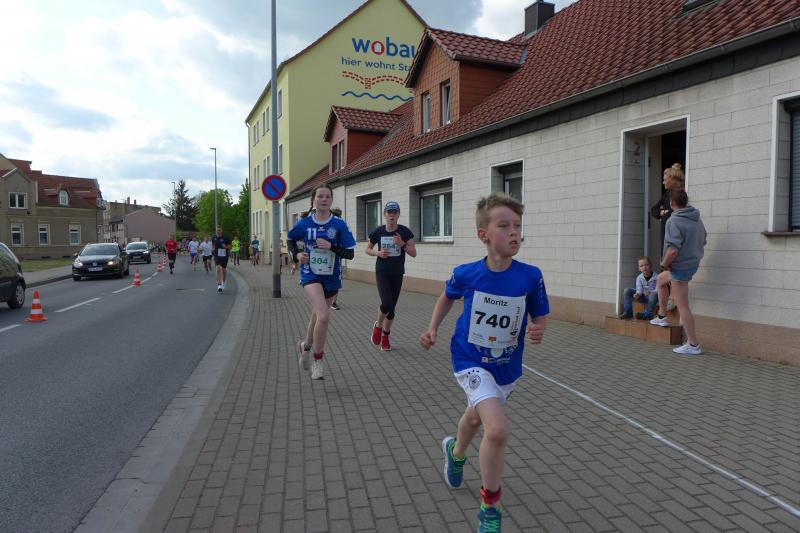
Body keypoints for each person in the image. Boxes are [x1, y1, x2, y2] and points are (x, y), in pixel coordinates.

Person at [420, 193, 548, 533]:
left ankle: (455, 451)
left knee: (475, 418)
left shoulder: (530, 276)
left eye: (517, 225)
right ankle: (490, 506)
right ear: (484, 235)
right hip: (469, 359)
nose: (514, 232)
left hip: (505, 367)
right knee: (497, 428)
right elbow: (447, 297)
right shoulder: (467, 273)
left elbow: (540, 314)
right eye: (504, 226)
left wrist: (538, 329)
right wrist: (432, 328)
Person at [287, 185, 356, 380]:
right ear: (314, 200)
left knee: (317, 316)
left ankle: (305, 347)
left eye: (327, 196)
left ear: (331, 200)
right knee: (324, 316)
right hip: (310, 273)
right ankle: (318, 361)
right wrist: (297, 255)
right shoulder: (305, 223)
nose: (324, 199)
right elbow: (290, 240)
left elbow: (350, 254)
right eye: (320, 196)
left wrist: (331, 246)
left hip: (331, 276)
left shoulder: (339, 224)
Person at [651, 190, 707, 355]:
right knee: (660, 280)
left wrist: (664, 263)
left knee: (683, 306)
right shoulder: (696, 218)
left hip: (680, 268)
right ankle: (662, 316)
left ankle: (693, 344)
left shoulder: (673, 221)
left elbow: (673, 250)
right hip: (691, 264)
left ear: (671, 203)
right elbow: (704, 240)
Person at [366, 200, 417, 351]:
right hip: (382, 272)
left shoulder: (405, 232)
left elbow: (414, 253)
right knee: (387, 304)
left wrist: (402, 244)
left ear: (398, 214)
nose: (392, 215)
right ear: (385, 214)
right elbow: (368, 249)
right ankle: (378, 326)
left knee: (392, 310)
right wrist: (378, 253)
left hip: (397, 273)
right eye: (389, 212)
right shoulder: (378, 231)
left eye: (395, 212)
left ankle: (386, 336)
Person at [650, 163, 685, 253]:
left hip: (674, 239)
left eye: (665, 180)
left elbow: (676, 213)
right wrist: (662, 212)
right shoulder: (667, 194)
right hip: (666, 238)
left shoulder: (681, 195)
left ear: (673, 180)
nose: (663, 182)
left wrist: (665, 214)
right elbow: (654, 210)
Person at [212, 225, 232, 292]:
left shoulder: (225, 238)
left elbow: (230, 246)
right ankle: (219, 285)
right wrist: (213, 249)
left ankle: (224, 281)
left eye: (219, 230)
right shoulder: (214, 237)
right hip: (217, 255)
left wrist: (225, 247)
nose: (218, 231)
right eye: (217, 230)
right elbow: (213, 246)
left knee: (223, 269)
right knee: (218, 269)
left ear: (221, 231)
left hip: (224, 255)